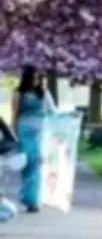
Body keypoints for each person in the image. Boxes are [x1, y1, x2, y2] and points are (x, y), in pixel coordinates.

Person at [11, 67, 55, 213]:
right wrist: (14, 134)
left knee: (36, 163)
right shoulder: (19, 93)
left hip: (41, 131)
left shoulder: (44, 93)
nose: (36, 81)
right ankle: (28, 197)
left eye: (38, 78)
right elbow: (15, 115)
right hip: (24, 130)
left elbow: (52, 111)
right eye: (34, 78)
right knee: (28, 163)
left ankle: (31, 200)